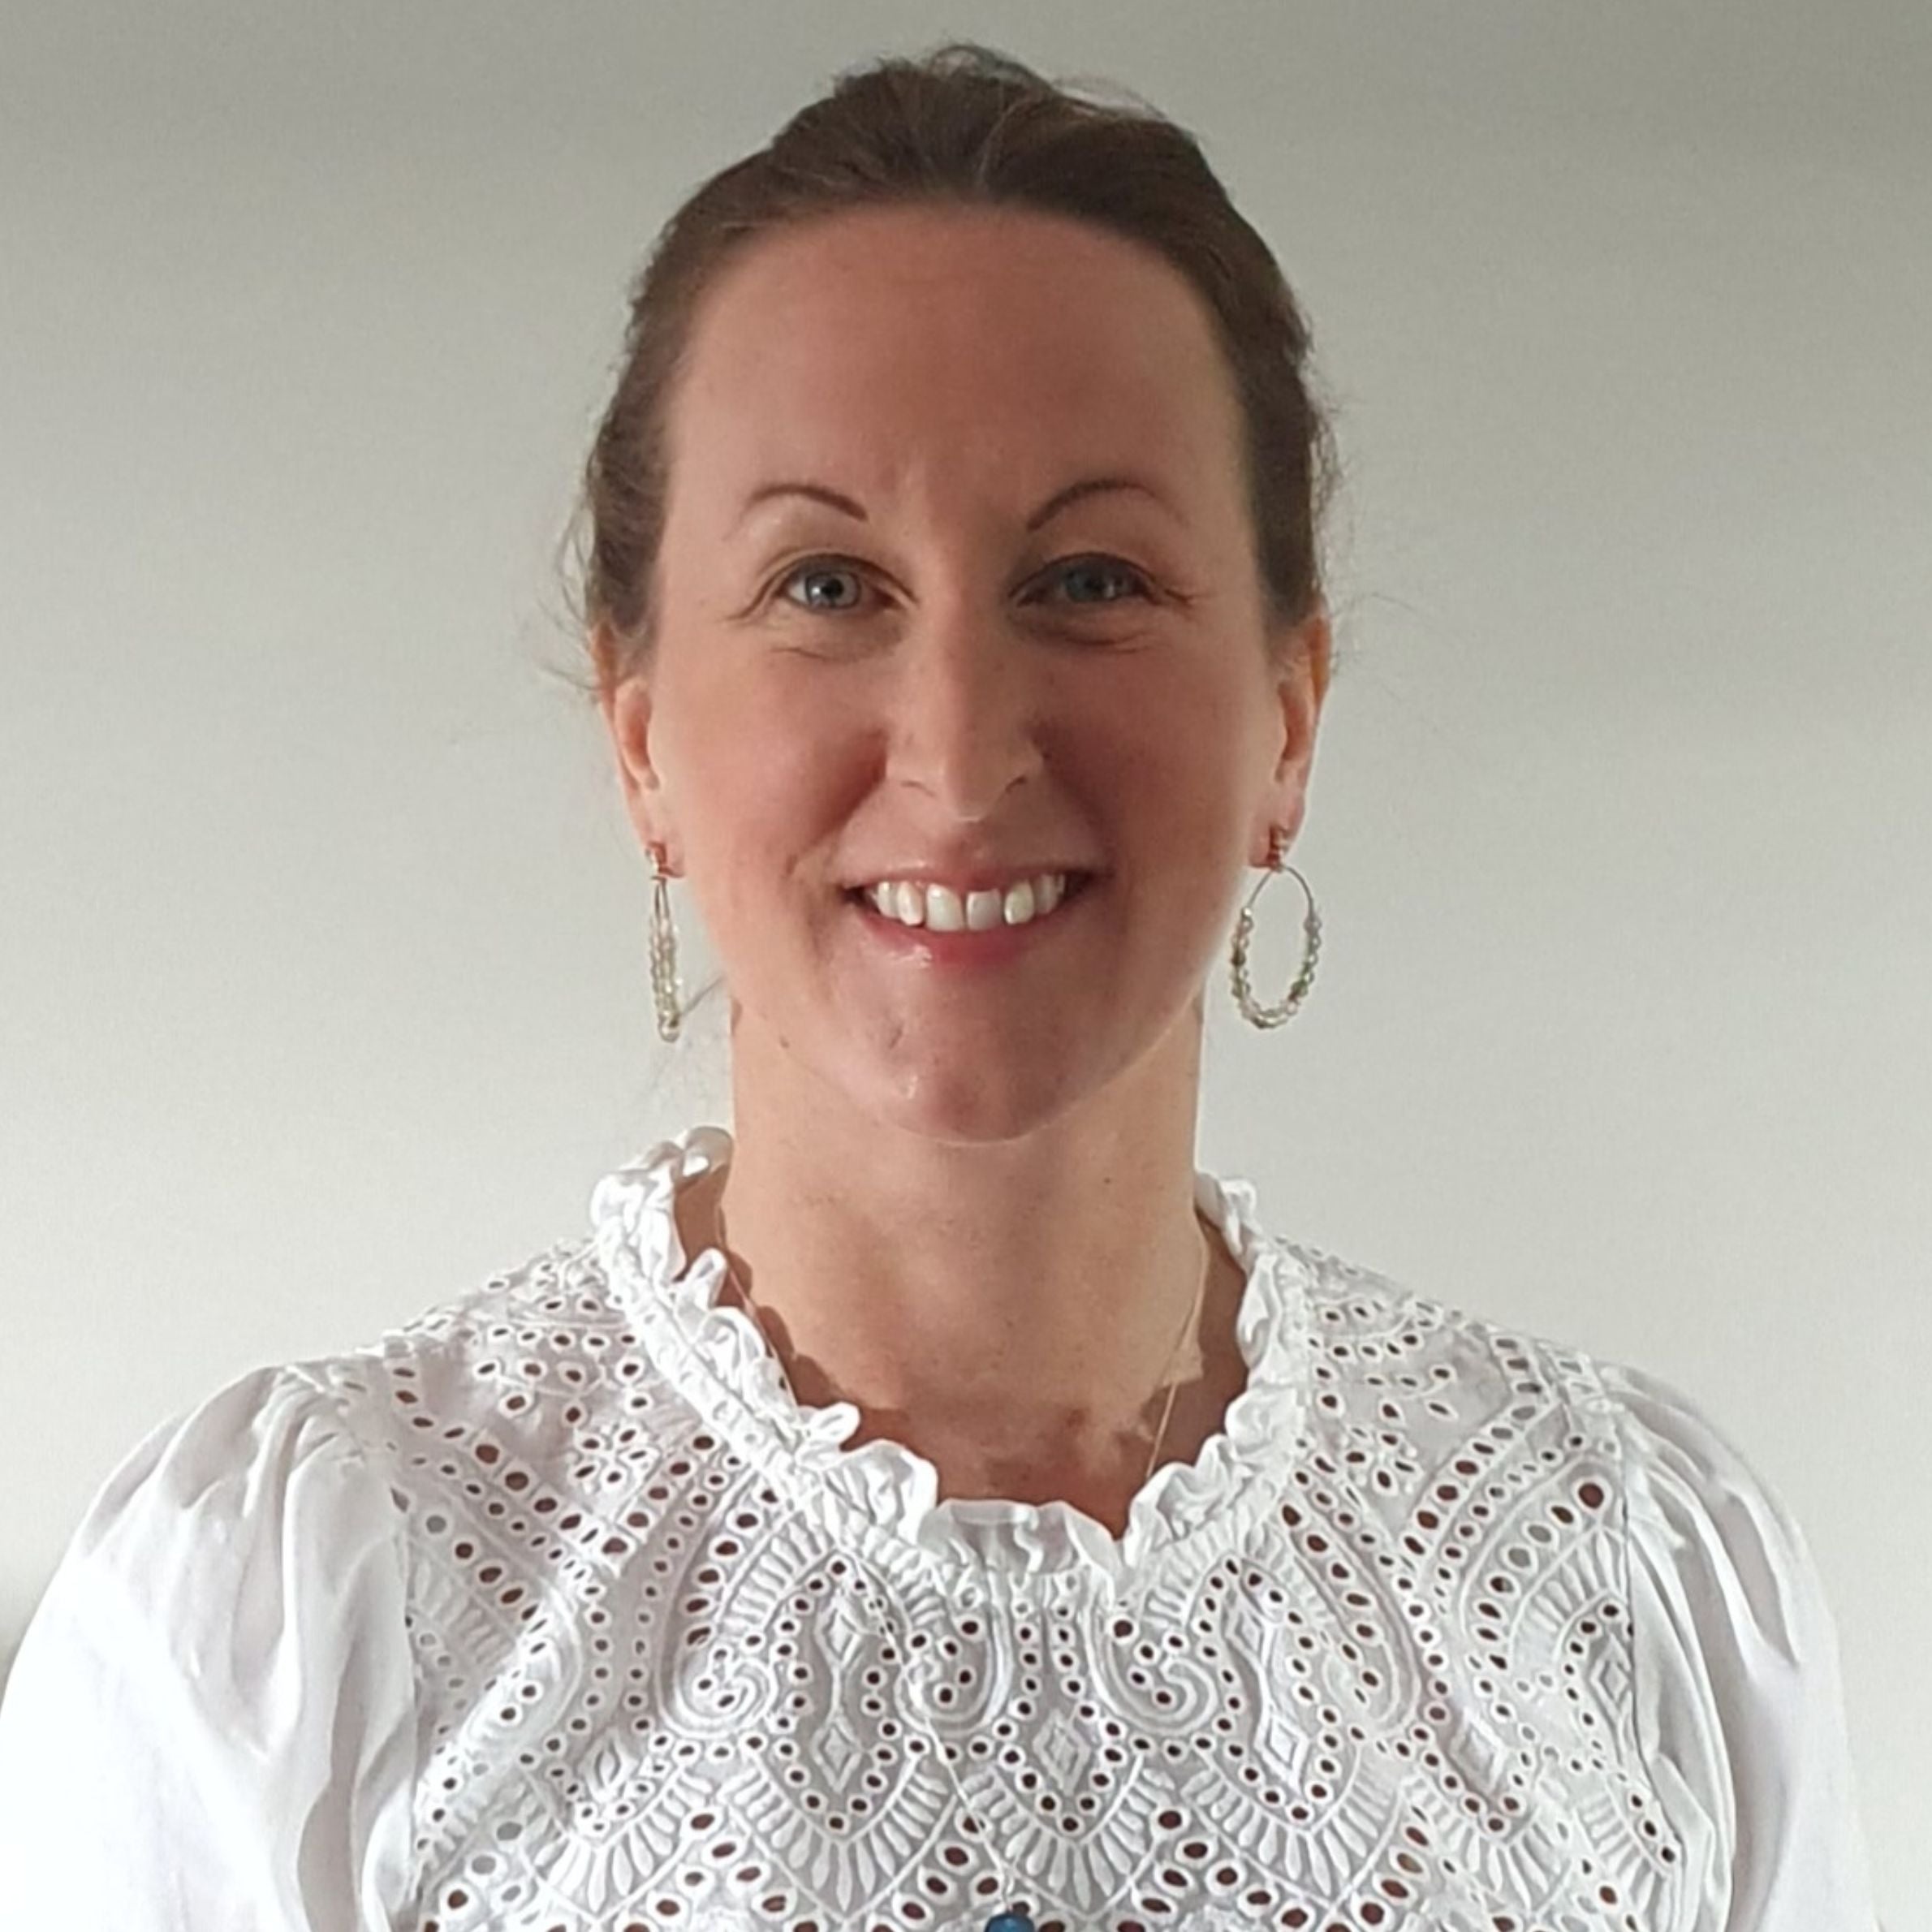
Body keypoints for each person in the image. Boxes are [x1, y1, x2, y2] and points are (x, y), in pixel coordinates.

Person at [0, 41, 1882, 1932]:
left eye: (1086, 581)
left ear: (1286, 722)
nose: (961, 750)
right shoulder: (301, 1620)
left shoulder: (1628, 1584)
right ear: (642, 735)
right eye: (826, 584)